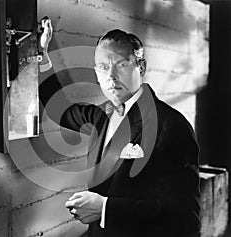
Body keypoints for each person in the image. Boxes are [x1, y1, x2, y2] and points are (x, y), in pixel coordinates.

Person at [39, 19, 200, 237]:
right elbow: (59, 109)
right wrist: (42, 55)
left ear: (141, 67)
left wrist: (105, 208)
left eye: (122, 65)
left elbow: (184, 216)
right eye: (104, 68)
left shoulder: (171, 125)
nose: (111, 77)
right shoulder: (101, 115)